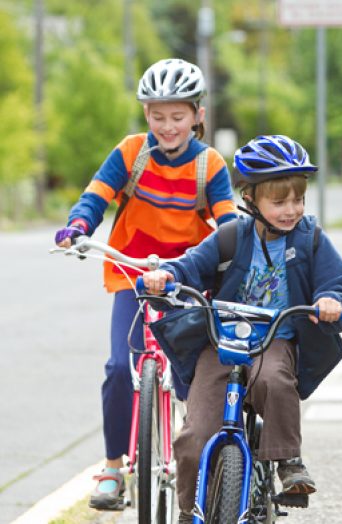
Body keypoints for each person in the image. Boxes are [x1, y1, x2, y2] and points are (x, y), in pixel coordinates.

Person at [141, 134, 342, 522]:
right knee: (193, 439)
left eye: (298, 199)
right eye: (279, 201)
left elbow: (339, 286)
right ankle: (190, 512)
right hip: (220, 344)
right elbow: (186, 267)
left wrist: (332, 303)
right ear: (251, 199)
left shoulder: (310, 240)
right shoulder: (229, 237)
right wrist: (164, 277)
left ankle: (287, 460)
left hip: (275, 340)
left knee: (274, 381)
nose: (291, 209)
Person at [53, 58, 237, 510]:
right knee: (121, 368)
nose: (167, 126)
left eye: (177, 116)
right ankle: (114, 467)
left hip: (185, 278)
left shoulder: (209, 164)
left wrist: (233, 248)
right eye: (157, 116)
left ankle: (201, 458)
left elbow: (228, 221)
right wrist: (78, 225)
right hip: (131, 273)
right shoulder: (132, 152)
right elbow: (96, 196)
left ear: (198, 115)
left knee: (194, 375)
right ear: (146, 115)